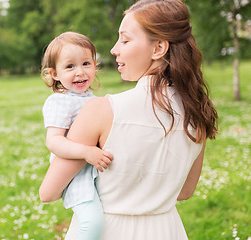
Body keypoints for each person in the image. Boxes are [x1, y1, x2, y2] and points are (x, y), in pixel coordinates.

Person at [39, 0, 218, 239]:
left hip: (109, 230)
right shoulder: (197, 111)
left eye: (125, 39)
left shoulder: (100, 110)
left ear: (159, 48)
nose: (114, 49)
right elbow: (184, 191)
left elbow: (48, 192)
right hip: (167, 230)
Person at [40, 31, 113, 240]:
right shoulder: (60, 101)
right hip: (75, 176)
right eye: (70, 66)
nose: (80, 72)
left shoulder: (92, 98)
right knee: (92, 221)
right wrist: (86, 151)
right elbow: (53, 141)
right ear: (54, 74)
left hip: (94, 170)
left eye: (86, 64)